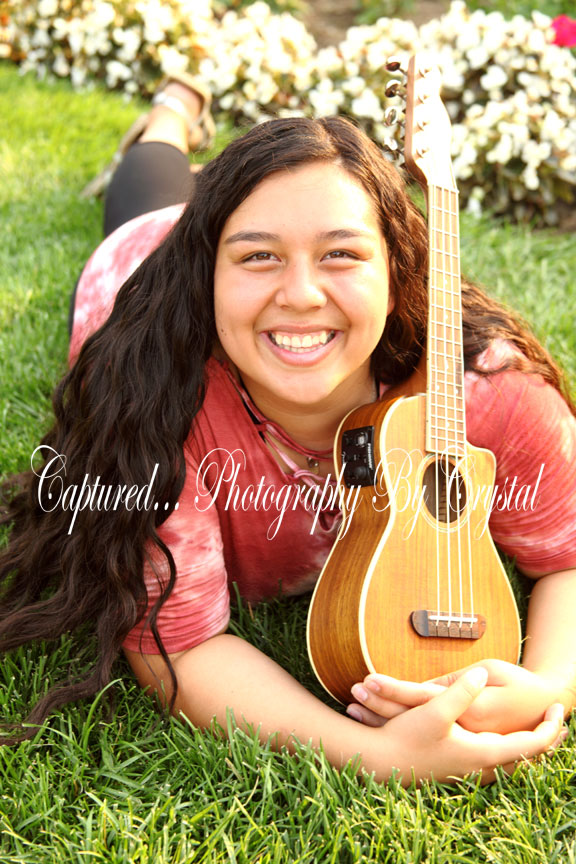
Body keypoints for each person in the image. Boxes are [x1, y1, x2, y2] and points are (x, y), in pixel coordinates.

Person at [1, 74, 575, 786]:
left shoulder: (484, 392)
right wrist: (380, 757)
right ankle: (171, 114)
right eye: (257, 255)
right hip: (136, 268)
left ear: (397, 271)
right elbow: (180, 647)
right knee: (147, 193)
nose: (301, 294)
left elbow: (567, 556)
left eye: (342, 253)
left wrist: (549, 684)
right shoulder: (150, 400)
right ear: (207, 276)